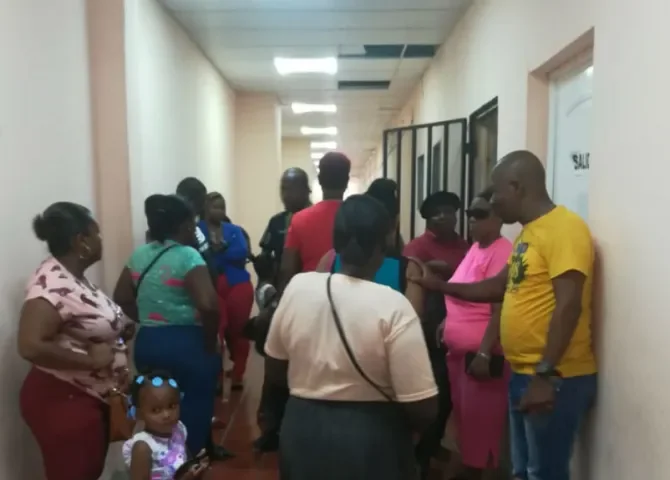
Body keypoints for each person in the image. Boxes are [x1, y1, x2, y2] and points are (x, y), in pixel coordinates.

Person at [411, 150, 597, 480]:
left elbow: (569, 305)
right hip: (524, 371)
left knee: (544, 473)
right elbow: (498, 287)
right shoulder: (529, 234)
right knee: (523, 471)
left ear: (516, 186)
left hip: (556, 375)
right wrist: (439, 286)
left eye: (497, 192)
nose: (494, 202)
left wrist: (545, 375)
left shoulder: (565, 229)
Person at [264, 195, 439, 480]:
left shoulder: (299, 287)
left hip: (301, 428)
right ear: (385, 242)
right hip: (372, 436)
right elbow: (423, 406)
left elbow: (274, 368)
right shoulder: (394, 305)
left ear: (336, 241)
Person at [18, 202, 131, 480]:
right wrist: (90, 360)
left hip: (88, 397)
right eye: (96, 233)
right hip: (64, 398)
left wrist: (118, 332)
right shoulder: (51, 283)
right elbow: (30, 344)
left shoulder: (73, 278)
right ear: (81, 240)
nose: (100, 240)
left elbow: (82, 324)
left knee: (87, 471)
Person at [113, 194, 223, 458]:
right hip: (188, 345)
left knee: (155, 408)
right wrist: (210, 342)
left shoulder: (139, 255)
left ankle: (156, 463)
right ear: (184, 225)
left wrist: (148, 317)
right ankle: (185, 464)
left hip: (149, 343)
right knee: (193, 409)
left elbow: (121, 296)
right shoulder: (188, 256)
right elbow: (209, 304)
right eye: (191, 224)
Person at [442, 187, 513, 480]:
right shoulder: (476, 248)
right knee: (467, 433)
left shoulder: (502, 252)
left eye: (480, 214)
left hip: (481, 360)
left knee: (481, 441)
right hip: (461, 358)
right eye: (470, 214)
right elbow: (463, 291)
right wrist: (447, 321)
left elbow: (500, 309)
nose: (472, 220)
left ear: (498, 217)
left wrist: (484, 352)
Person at [403, 190, 470, 476]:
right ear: (427, 219)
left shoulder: (466, 247)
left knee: (451, 395)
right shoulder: (416, 248)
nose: (443, 217)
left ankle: (430, 446)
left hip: (460, 326)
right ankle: (420, 453)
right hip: (427, 328)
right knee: (433, 391)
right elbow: (411, 281)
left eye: (449, 211)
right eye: (436, 213)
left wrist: (449, 270)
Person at [200, 192, 254, 390]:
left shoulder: (234, 229)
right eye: (215, 207)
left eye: (222, 207)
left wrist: (217, 252)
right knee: (217, 331)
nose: (220, 211)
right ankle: (217, 377)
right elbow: (198, 254)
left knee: (239, 329)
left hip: (238, 284)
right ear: (206, 208)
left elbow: (242, 251)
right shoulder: (198, 229)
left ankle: (238, 373)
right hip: (211, 286)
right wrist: (220, 252)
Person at [278, 152, 351, 291]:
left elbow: (287, 269)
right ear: (347, 181)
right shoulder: (357, 217)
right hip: (348, 295)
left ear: (319, 179)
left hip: (309, 294)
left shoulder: (299, 219)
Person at [123, 371, 210, 480]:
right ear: (139, 414)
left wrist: (196, 464)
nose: (166, 415)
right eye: (156, 410)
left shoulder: (178, 429)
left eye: (171, 406)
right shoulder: (143, 447)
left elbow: (184, 459)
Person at [257, 167, 312, 285]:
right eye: (283, 189)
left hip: (310, 285)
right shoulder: (276, 221)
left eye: (292, 189)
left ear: (306, 190)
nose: (286, 195)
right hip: (282, 286)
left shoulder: (317, 219)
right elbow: (266, 254)